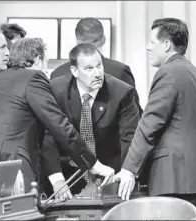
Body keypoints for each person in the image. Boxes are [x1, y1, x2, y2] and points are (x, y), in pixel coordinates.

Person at [0, 38, 115, 201]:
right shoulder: (33, 77)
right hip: (3, 174)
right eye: (46, 63)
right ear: (37, 60)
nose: (46, 70)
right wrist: (93, 164)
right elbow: (58, 125)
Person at [114, 18, 196, 213]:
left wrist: (129, 169)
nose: (147, 47)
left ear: (167, 45)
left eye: (152, 42)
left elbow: (149, 124)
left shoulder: (168, 72)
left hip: (177, 181)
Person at [40, 43, 140, 200]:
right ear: (74, 71)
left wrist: (128, 171)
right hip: (68, 173)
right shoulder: (55, 91)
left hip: (109, 173)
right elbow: (47, 136)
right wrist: (57, 178)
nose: (98, 73)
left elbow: (130, 137)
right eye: (89, 69)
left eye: (99, 66)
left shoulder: (122, 93)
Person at [51, 17, 143, 115]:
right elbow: (135, 114)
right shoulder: (120, 72)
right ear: (103, 40)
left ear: (77, 41)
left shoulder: (57, 74)